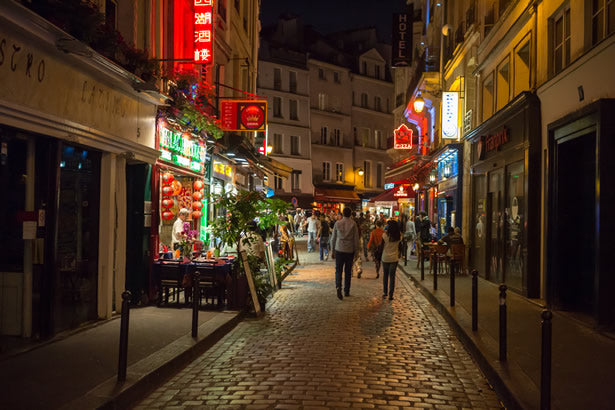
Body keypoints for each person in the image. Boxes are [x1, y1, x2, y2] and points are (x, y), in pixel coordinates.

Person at [331, 207, 360, 300]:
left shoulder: (337, 223)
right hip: (349, 249)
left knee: (338, 270)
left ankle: (338, 286)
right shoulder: (353, 224)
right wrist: (356, 251)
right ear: (351, 214)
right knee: (348, 271)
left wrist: (332, 250)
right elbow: (356, 239)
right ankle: (346, 290)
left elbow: (333, 238)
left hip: (339, 248)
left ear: (343, 214)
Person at [381, 219, 401, 300]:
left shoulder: (384, 235)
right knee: (392, 277)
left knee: (385, 275)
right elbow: (400, 247)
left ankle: (385, 292)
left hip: (385, 257)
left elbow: (381, 247)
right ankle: (390, 295)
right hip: (394, 258)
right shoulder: (399, 236)